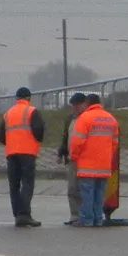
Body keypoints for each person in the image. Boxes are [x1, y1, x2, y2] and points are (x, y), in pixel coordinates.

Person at [0, 87, 46, 226]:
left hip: (12, 153)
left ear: (16, 99)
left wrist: (10, 142)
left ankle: (17, 215)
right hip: (28, 153)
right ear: (29, 98)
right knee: (27, 183)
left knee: (14, 185)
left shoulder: (8, 114)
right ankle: (24, 214)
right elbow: (39, 129)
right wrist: (36, 141)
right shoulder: (32, 111)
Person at [68, 92, 118, 227]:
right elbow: (115, 143)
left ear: (87, 103)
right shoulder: (111, 119)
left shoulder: (84, 119)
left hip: (87, 165)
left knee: (87, 195)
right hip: (104, 165)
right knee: (100, 195)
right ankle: (98, 220)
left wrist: (74, 157)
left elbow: (77, 142)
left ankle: (87, 220)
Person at [57, 92, 88, 223]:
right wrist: (61, 153)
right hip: (72, 158)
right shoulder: (70, 119)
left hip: (86, 158)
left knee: (85, 188)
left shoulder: (88, 118)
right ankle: (75, 215)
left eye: (77, 105)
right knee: (72, 188)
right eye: (72, 105)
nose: (74, 108)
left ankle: (86, 215)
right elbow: (66, 137)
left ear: (84, 105)